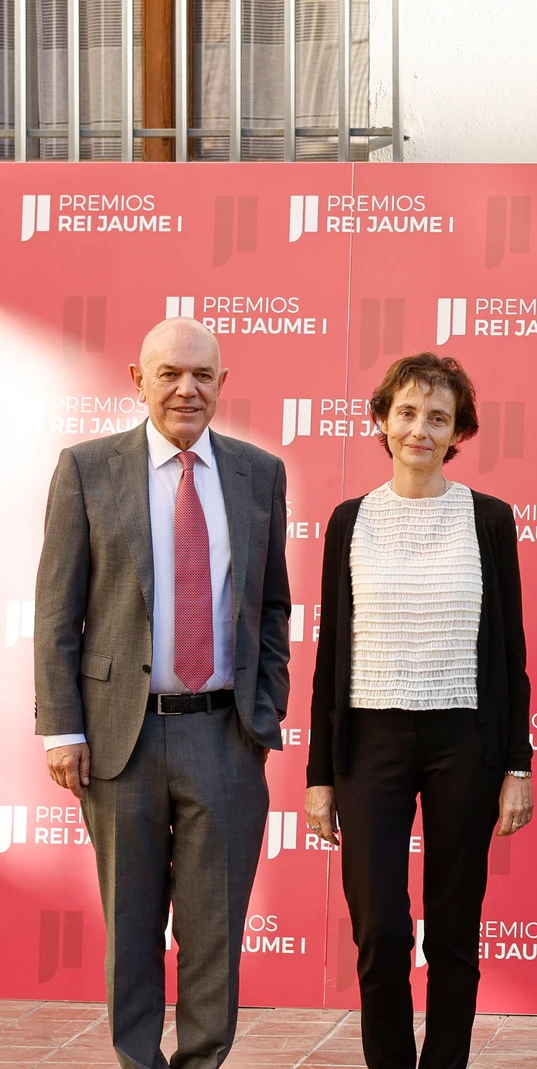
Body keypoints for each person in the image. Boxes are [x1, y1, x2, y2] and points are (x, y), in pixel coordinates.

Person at [35, 317, 291, 1069]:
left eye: (203, 375)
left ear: (221, 385)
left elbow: (272, 605)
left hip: (224, 735)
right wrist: (62, 729)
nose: (187, 388)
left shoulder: (258, 473)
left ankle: (203, 1062)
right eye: (171, 372)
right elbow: (58, 608)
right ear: (137, 379)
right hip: (122, 738)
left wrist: (263, 711)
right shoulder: (87, 468)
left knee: (215, 931)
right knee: (132, 926)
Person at [303, 354, 533, 1069]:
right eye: (406, 413)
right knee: (379, 926)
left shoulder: (489, 518)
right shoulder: (349, 521)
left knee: (455, 927)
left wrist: (518, 762)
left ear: (458, 429)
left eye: (437, 417)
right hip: (369, 740)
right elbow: (330, 652)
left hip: (463, 739)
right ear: (381, 419)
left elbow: (511, 651)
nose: (420, 429)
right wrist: (318, 775)